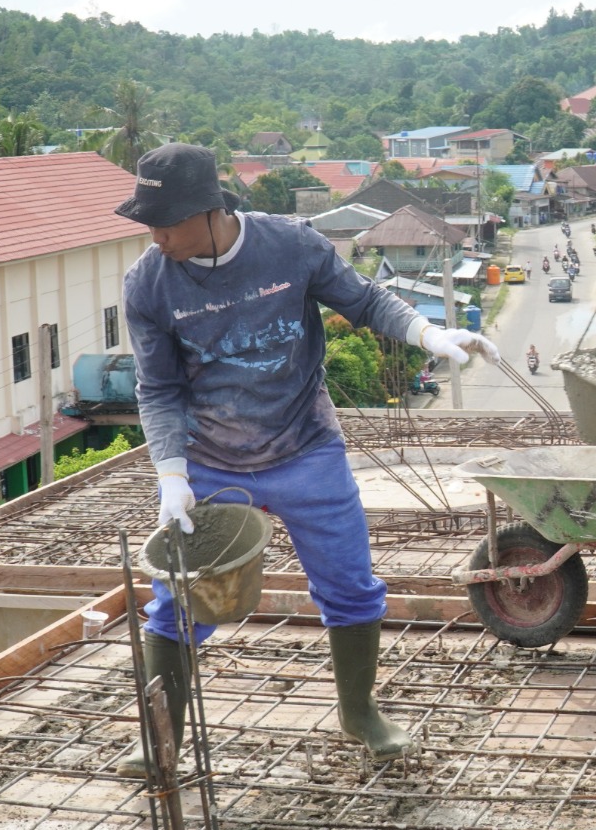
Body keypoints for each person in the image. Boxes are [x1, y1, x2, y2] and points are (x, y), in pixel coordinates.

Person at [117, 144, 498, 777]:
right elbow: (158, 389)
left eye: (166, 222)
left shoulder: (290, 246)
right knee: (177, 602)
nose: (156, 238)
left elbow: (368, 301)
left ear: (209, 210)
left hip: (306, 448)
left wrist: (431, 334)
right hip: (212, 463)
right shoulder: (149, 282)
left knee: (350, 587)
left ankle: (360, 714)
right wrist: (171, 475)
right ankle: (161, 740)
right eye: (148, 224)